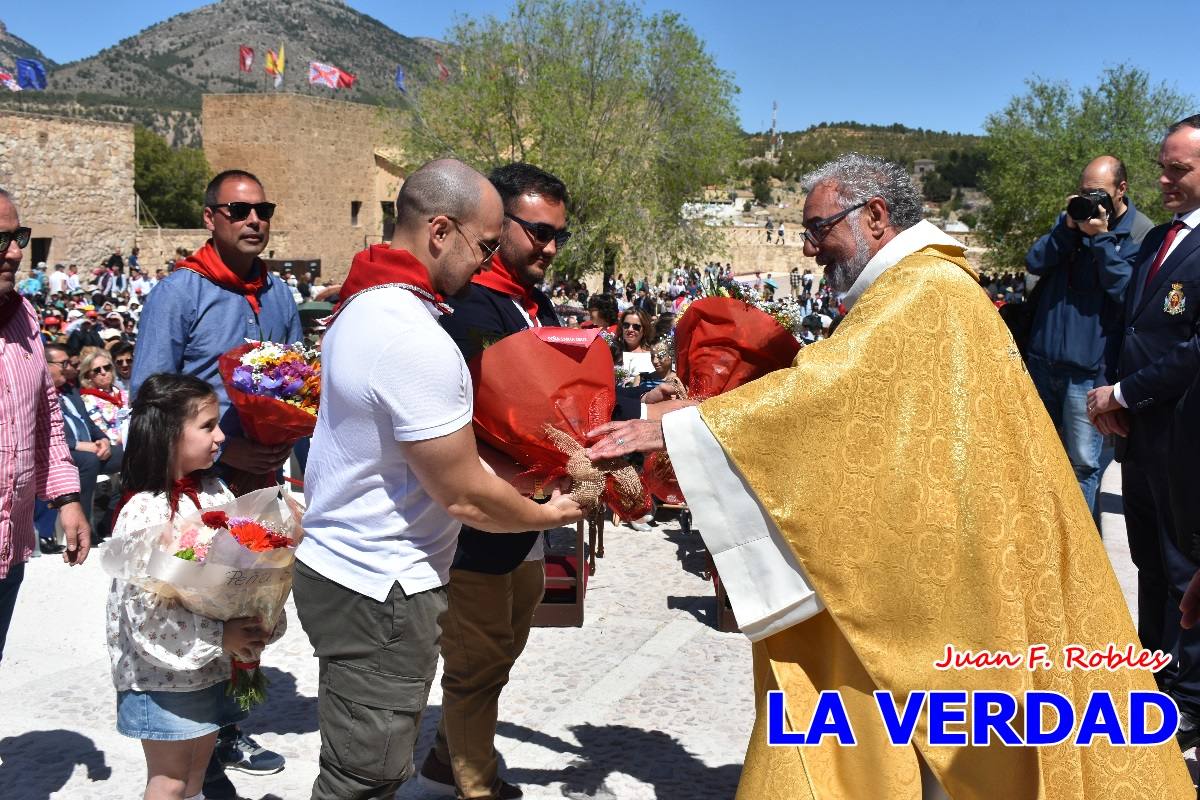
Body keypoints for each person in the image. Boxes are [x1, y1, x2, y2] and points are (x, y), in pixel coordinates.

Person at [586, 153, 1190, 798]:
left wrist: (679, 430)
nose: (813, 248)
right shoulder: (914, 289)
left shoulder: (923, 292)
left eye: (820, 229)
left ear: (874, 216)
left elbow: (828, 395)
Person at [294, 158, 583, 800]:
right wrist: (549, 513)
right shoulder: (414, 338)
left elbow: (427, 454)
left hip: (347, 569)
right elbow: (462, 493)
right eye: (483, 245)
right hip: (381, 585)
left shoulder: (364, 300)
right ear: (440, 231)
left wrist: (531, 470)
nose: (487, 262)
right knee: (362, 780)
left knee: (365, 764)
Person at [130, 169, 297, 797]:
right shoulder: (180, 293)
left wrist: (279, 441)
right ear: (211, 218)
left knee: (256, 607)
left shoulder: (278, 295)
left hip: (261, 477)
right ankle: (202, 728)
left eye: (263, 209)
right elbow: (150, 397)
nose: (254, 220)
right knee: (197, 608)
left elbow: (292, 377)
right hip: (200, 486)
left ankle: (236, 721)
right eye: (239, 211)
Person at [419, 162, 570, 800]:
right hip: (476, 524)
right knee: (476, 666)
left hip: (530, 520)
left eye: (559, 233)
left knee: (506, 646)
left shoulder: (539, 305)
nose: (551, 246)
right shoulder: (464, 305)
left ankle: (445, 755)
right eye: (537, 231)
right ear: (498, 224)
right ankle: (474, 786)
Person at [108, 373, 284, 800]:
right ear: (167, 434)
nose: (221, 436)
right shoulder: (145, 511)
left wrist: (259, 607)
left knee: (197, 773)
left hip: (210, 666)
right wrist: (218, 634)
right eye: (207, 426)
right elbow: (142, 610)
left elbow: (241, 566)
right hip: (165, 673)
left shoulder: (214, 491)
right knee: (169, 779)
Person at [1088, 115, 1200, 748]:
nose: (1162, 179)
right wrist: (1112, 394)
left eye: (1177, 169)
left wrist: (1126, 392)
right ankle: (1152, 681)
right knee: (1150, 562)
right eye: (1162, 166)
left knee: (1189, 569)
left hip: (1188, 437)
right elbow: (1129, 328)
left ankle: (1188, 700)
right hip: (1141, 434)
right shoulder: (1161, 237)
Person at [1024, 156, 1152, 517]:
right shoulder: (1070, 225)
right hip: (1042, 361)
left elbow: (1128, 293)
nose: (1090, 199)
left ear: (1121, 189)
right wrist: (1066, 228)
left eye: (1098, 192)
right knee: (1033, 456)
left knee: (1082, 465)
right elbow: (1034, 261)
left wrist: (1102, 240)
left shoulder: (1140, 232)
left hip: (1087, 371)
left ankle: (1078, 557)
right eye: (1083, 192)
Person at [0, 188, 91, 662]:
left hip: (8, 549)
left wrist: (66, 497)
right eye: (1, 240)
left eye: (18, 236)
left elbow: (47, 417)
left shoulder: (25, 317)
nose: (15, 252)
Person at [47, 343, 122, 541]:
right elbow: (46, 434)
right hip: (61, 451)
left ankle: (118, 519)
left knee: (131, 454)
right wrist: (80, 446)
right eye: (63, 363)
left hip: (91, 448)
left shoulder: (70, 391)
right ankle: (84, 527)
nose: (69, 367)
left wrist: (103, 439)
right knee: (89, 461)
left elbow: (88, 423)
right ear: (47, 366)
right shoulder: (39, 395)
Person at [79, 349, 127, 446]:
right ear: (88, 375)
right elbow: (101, 430)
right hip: (116, 447)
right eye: (97, 370)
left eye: (107, 367)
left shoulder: (121, 393)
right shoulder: (88, 399)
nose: (103, 372)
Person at [618, 308, 654, 378]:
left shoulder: (651, 356)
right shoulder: (613, 352)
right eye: (626, 325)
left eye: (636, 327)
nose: (630, 329)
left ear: (645, 330)